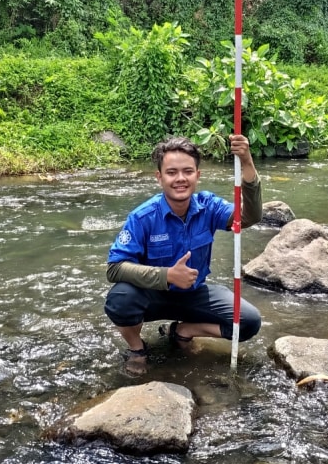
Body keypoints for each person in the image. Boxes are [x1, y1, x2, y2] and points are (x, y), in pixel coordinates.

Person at [104, 134, 263, 371]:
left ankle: (182, 331)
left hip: (194, 293)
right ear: (159, 178)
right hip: (152, 295)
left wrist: (247, 162)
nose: (180, 179)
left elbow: (249, 217)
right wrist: (166, 275)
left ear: (197, 175)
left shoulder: (209, 207)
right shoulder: (142, 217)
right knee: (120, 298)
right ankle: (137, 348)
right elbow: (115, 268)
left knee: (248, 321)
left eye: (188, 171)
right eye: (171, 172)